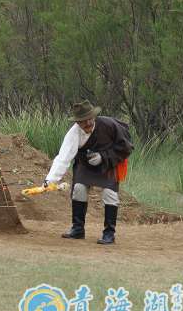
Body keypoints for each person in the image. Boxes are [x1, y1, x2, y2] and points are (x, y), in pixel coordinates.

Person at [44, 100, 133, 244]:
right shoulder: (73, 133)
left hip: (109, 164)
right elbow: (63, 158)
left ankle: (109, 233)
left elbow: (126, 147)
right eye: (83, 122)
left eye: (90, 120)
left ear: (94, 117)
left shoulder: (110, 125)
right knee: (79, 189)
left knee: (109, 193)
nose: (88, 124)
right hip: (85, 164)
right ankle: (78, 229)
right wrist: (50, 181)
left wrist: (103, 157)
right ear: (77, 123)